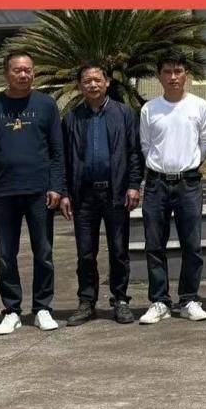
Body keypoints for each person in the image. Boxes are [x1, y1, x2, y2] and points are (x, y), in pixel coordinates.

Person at [0, 50, 65, 335]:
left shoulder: (46, 105)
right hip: (4, 192)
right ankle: (12, 310)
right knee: (6, 254)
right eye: (18, 70)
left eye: (28, 70)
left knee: (44, 252)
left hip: (40, 192)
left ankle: (42, 308)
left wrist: (56, 186)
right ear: (6, 73)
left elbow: (57, 151)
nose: (24, 75)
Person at [60, 62, 143, 326]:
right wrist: (65, 193)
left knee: (118, 250)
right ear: (80, 85)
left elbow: (134, 152)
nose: (93, 85)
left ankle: (120, 300)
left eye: (97, 79)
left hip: (116, 193)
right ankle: (87, 302)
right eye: (87, 81)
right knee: (85, 253)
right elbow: (64, 159)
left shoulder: (124, 113)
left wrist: (133, 184)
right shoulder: (72, 118)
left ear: (107, 82)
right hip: (84, 196)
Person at [138, 53, 206, 325]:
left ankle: (189, 298)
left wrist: (191, 165)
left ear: (186, 74)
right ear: (159, 76)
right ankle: (159, 301)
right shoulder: (149, 109)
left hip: (188, 183)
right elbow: (145, 145)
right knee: (154, 244)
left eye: (178, 71)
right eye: (167, 72)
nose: (173, 77)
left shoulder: (199, 106)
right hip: (156, 183)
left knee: (191, 244)